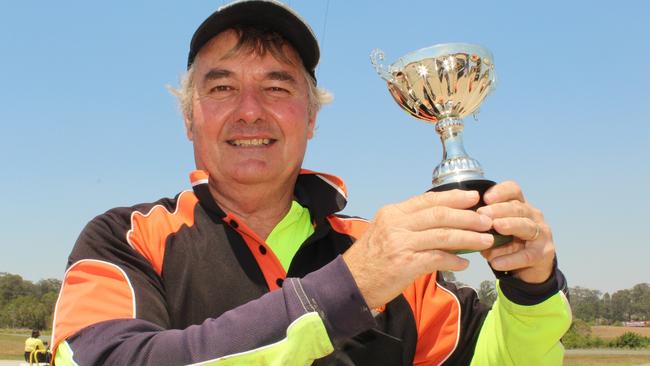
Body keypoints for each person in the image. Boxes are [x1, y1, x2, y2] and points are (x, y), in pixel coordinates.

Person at [50, 1, 571, 365]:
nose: (249, 111)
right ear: (189, 118)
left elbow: (496, 358)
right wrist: (349, 289)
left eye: (277, 86)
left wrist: (532, 290)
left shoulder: (388, 253)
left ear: (311, 118)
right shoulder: (125, 238)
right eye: (223, 86)